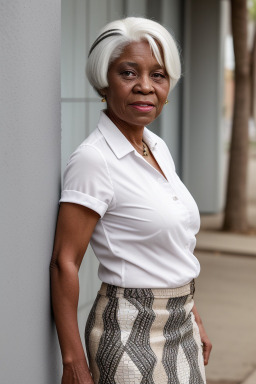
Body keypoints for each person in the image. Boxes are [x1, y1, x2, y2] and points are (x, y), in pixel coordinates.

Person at [50, 16, 212, 384]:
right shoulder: (95, 159)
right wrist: (73, 362)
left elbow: (173, 247)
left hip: (181, 322)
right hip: (127, 331)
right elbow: (64, 262)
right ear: (104, 82)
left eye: (158, 75)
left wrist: (194, 318)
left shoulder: (157, 147)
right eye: (128, 73)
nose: (145, 87)